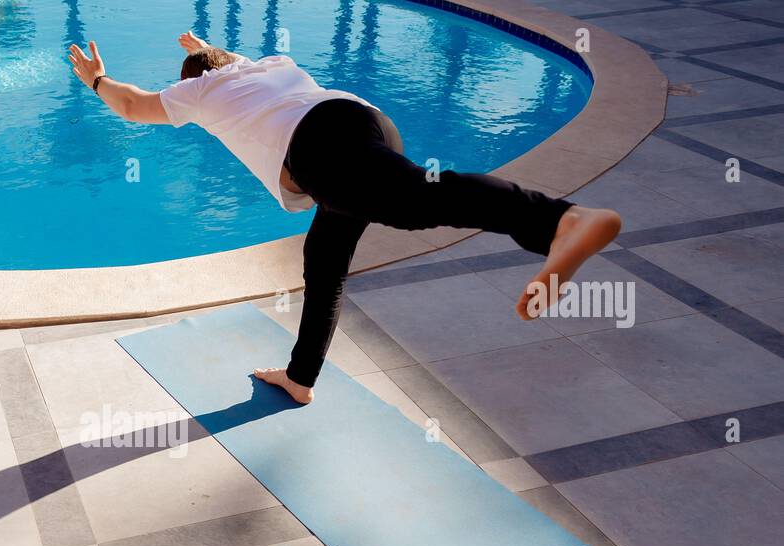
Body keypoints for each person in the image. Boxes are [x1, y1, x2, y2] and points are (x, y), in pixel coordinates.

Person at [67, 31, 621, 404]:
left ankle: (558, 221)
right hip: (363, 120)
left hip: (318, 147)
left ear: (191, 78)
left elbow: (135, 105)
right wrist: (209, 47)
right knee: (324, 260)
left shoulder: (197, 91)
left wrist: (96, 78)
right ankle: (300, 377)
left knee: (413, 201)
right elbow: (231, 65)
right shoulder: (268, 65)